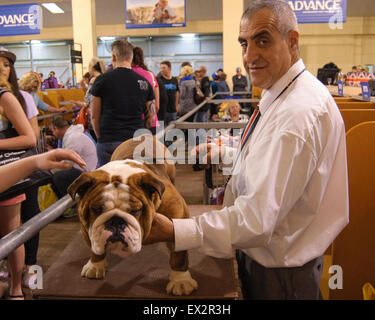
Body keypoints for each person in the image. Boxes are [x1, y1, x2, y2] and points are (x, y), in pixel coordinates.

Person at [145, 0, 349, 300]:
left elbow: (256, 220)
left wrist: (176, 232)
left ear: (292, 40)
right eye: (244, 43)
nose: (249, 56)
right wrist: (229, 153)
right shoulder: (287, 93)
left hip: (281, 276)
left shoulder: (296, 114)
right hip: (277, 265)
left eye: (262, 41)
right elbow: (275, 165)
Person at [0, 49, 37, 300]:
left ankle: (17, 288)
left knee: (14, 232)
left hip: (10, 171)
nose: (3, 68)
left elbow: (30, 137)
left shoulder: (11, 97)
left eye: (6, 64)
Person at [90, 39, 154, 167]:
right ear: (131, 57)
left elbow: (94, 116)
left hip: (109, 141)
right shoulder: (144, 83)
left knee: (107, 183)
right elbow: (151, 117)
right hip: (135, 142)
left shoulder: (101, 80)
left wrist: (101, 138)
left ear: (113, 56)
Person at [50, 116, 97, 199]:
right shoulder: (73, 135)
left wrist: (49, 169)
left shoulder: (72, 138)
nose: (53, 134)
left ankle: (70, 205)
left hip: (87, 172)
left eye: (52, 131)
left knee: (57, 176)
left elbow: (67, 164)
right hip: (84, 169)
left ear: (56, 128)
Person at [71, 57, 106, 141]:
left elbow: (87, 101)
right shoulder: (106, 78)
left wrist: (76, 103)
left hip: (94, 120)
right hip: (105, 118)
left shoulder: (94, 80)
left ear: (92, 68)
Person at [131, 46, 160, 135]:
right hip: (152, 122)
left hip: (132, 123)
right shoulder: (150, 75)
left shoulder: (125, 74)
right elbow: (157, 105)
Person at [157, 60, 179, 126]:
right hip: (162, 110)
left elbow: (177, 92)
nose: (162, 70)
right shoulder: (158, 79)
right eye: (161, 68)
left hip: (172, 109)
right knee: (161, 131)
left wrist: (177, 105)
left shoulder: (174, 79)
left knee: (172, 131)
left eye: (164, 68)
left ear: (169, 68)